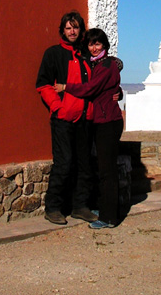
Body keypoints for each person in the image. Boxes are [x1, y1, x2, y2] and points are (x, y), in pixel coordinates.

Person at [54, 28, 123, 229]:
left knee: (107, 171)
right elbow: (110, 86)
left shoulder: (107, 65)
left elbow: (90, 88)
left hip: (108, 122)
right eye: (91, 44)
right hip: (101, 121)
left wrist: (66, 87)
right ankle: (105, 210)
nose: (94, 48)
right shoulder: (99, 64)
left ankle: (109, 218)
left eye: (98, 44)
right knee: (102, 168)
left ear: (105, 46)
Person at [35, 11, 99, 225]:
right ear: (62, 30)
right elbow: (43, 84)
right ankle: (53, 208)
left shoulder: (87, 54)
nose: (72, 31)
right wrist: (58, 107)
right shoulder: (53, 54)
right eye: (68, 27)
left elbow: (104, 75)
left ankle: (80, 207)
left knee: (85, 165)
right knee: (64, 163)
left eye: (76, 27)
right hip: (63, 119)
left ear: (81, 30)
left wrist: (116, 91)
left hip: (85, 119)